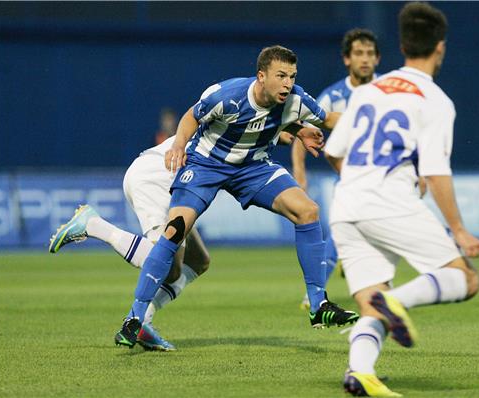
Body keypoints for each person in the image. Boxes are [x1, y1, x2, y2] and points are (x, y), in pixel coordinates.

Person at [114, 45, 360, 349]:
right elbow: (192, 116)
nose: (287, 83)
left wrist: (363, 117)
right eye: (281, 75)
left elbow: (329, 119)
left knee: (307, 210)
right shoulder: (227, 95)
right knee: (176, 229)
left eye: (292, 76)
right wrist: (178, 144)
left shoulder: (295, 99)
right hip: (206, 165)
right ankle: (134, 318)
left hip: (253, 168)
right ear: (261, 76)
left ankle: (319, 306)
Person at [324, 3, 479, 396]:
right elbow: (435, 173)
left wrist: (359, 184)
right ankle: (395, 301)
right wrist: (460, 231)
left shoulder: (368, 92)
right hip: (389, 201)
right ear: (440, 48)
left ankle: (360, 372)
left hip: (346, 205)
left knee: (369, 302)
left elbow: (334, 150)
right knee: (465, 278)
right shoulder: (435, 100)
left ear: (401, 46)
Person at [49, 136, 211, 352]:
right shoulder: (239, 121)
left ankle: (143, 321)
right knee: (170, 269)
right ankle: (94, 225)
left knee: (198, 260)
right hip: (158, 179)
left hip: (173, 181)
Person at [292, 28, 381, 310]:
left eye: (369, 54)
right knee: (340, 231)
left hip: (385, 177)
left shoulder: (387, 91)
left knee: (364, 232)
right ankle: (316, 293)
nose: (364, 59)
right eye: (358, 53)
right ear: (346, 59)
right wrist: (300, 172)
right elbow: (303, 130)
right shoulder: (333, 96)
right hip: (349, 177)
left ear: (377, 59)